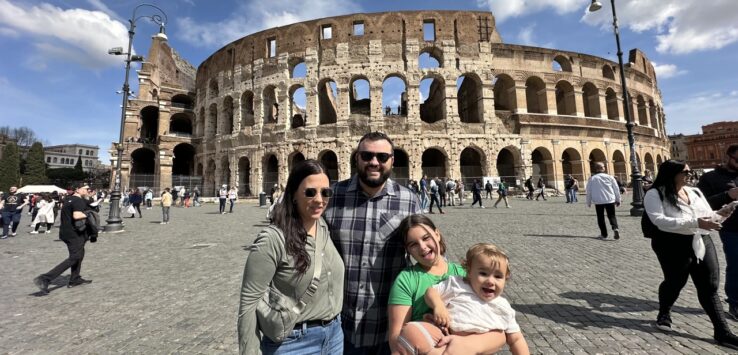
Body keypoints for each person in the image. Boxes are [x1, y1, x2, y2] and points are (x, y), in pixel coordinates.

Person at [324, 132, 421, 354]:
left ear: (392, 160)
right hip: (339, 326)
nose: (374, 162)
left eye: (382, 157)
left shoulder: (408, 201)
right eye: (367, 156)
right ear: (356, 157)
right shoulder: (332, 197)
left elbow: (427, 257)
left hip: (389, 327)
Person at [238, 160, 344, 355]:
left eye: (326, 192)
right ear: (294, 194)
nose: (320, 199)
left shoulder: (323, 227)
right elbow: (248, 304)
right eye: (310, 192)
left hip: (334, 337)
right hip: (293, 344)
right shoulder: (273, 238)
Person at [644, 160, 738, 349]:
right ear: (672, 174)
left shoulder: (694, 192)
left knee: (709, 286)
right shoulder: (655, 194)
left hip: (701, 239)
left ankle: (722, 332)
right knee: (675, 281)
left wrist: (723, 213)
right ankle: (664, 311)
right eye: (685, 172)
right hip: (671, 244)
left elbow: (708, 215)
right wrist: (696, 223)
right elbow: (659, 221)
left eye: (690, 172)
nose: (690, 175)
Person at [388, 215, 507, 355]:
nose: (423, 247)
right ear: (408, 250)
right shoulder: (406, 280)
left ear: (437, 234)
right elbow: (396, 338)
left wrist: (466, 345)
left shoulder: (464, 273)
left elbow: (499, 329)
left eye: (426, 238)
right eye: (413, 244)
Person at [399, 243, 530, 355]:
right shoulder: (458, 284)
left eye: (498, 276)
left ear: (505, 280)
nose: (491, 281)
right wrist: (438, 306)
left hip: (478, 348)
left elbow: (516, 339)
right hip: (444, 339)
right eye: (483, 273)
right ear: (469, 272)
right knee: (412, 331)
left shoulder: (503, 307)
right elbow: (431, 292)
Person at [698, 143, 738, 320]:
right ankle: (735, 303)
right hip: (732, 228)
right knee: (736, 265)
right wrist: (728, 195)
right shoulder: (711, 178)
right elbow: (702, 204)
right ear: (727, 157)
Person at [33, 184, 94, 294]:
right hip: (75, 233)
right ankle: (45, 278)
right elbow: (76, 215)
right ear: (78, 189)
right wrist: (89, 213)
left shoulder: (69, 199)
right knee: (75, 257)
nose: (87, 190)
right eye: (85, 188)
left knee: (79, 255)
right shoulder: (78, 201)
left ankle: (74, 278)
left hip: (66, 231)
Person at [586, 163, 621, 240]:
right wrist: (618, 199)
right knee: (612, 216)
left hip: (598, 201)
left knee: (600, 217)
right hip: (610, 199)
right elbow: (616, 189)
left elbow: (588, 191)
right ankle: (615, 228)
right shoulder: (610, 177)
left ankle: (604, 234)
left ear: (596, 169)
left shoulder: (592, 178)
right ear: (604, 168)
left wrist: (588, 202)